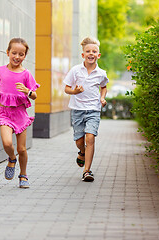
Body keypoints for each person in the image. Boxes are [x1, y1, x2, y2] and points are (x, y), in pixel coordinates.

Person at [0, 38, 40, 188]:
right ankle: (11, 158)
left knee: (22, 149)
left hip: (20, 115)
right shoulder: (0, 71)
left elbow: (34, 95)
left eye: (21, 54)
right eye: (14, 53)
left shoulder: (26, 74)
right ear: (8, 53)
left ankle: (23, 175)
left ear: (24, 56)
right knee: (7, 143)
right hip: (5, 113)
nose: (17, 56)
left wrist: (28, 91)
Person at [63, 37, 109, 182]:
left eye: (94, 51)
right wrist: (74, 92)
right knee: (79, 141)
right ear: (83, 54)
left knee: (90, 138)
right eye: (88, 51)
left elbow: (104, 87)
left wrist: (102, 98)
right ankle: (81, 152)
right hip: (77, 110)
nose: (91, 53)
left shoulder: (101, 73)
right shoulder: (75, 70)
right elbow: (66, 88)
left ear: (98, 55)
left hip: (94, 110)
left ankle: (87, 171)